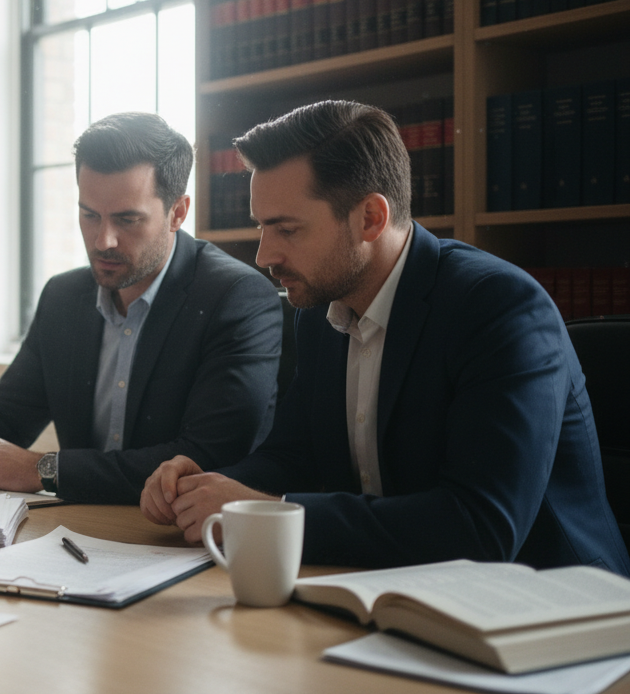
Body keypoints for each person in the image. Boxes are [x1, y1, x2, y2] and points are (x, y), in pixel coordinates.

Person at [141, 100, 630, 576]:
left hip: (556, 611)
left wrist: (269, 512)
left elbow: (481, 530)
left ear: (371, 218)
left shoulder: (498, 308)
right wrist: (208, 488)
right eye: (261, 227)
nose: (264, 255)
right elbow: (294, 455)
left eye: (286, 229)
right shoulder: (319, 310)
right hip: (398, 590)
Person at [0, 112, 282, 505]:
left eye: (127, 219)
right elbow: (4, 415)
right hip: (79, 532)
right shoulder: (63, 297)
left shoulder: (234, 297)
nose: (103, 240)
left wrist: (46, 469)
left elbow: (207, 456)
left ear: (177, 212)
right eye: (89, 215)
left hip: (183, 539)